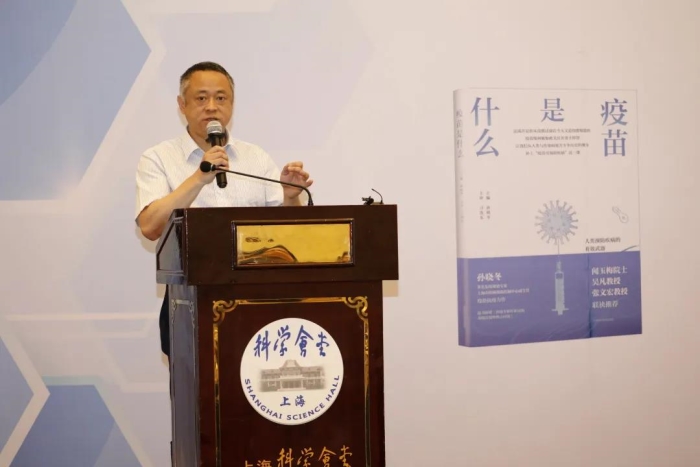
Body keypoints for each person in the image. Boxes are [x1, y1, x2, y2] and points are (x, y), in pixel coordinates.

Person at [135, 61, 313, 359]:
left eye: (221, 98)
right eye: (201, 98)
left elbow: (286, 232)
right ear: (182, 104)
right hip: (190, 298)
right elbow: (150, 226)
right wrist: (198, 177)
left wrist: (290, 197)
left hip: (256, 298)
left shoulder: (255, 157)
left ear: (232, 104)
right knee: (197, 384)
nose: (211, 107)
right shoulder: (158, 158)